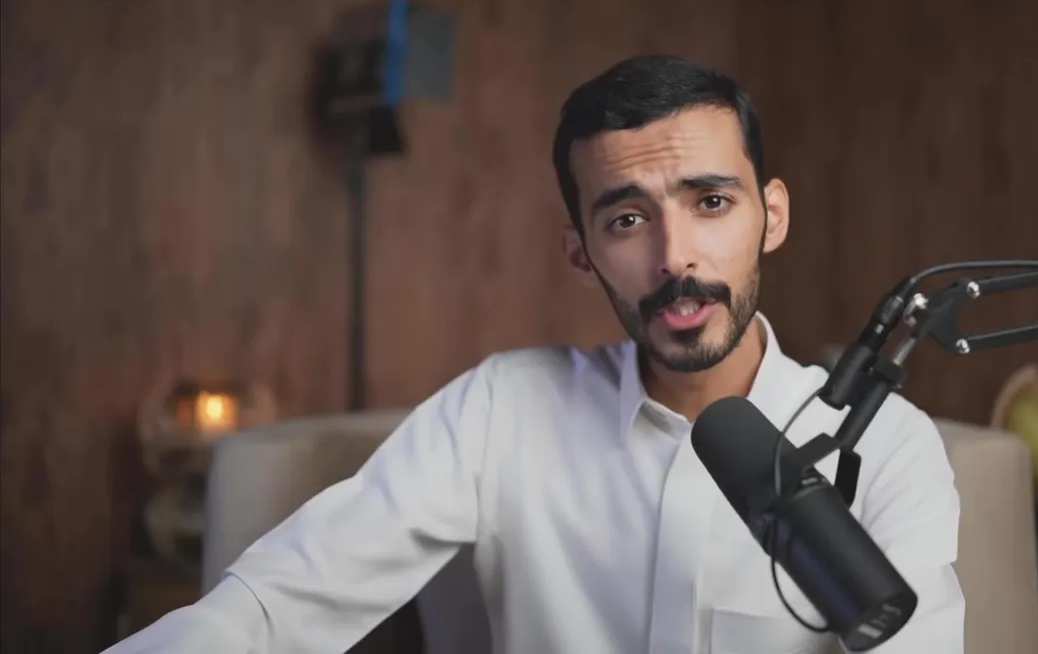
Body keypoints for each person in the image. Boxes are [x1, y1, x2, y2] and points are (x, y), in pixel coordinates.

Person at [106, 55, 964, 654]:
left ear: (771, 216)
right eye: (627, 219)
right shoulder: (501, 412)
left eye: (710, 202)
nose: (675, 258)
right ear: (581, 252)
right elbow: (279, 605)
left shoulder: (886, 447)